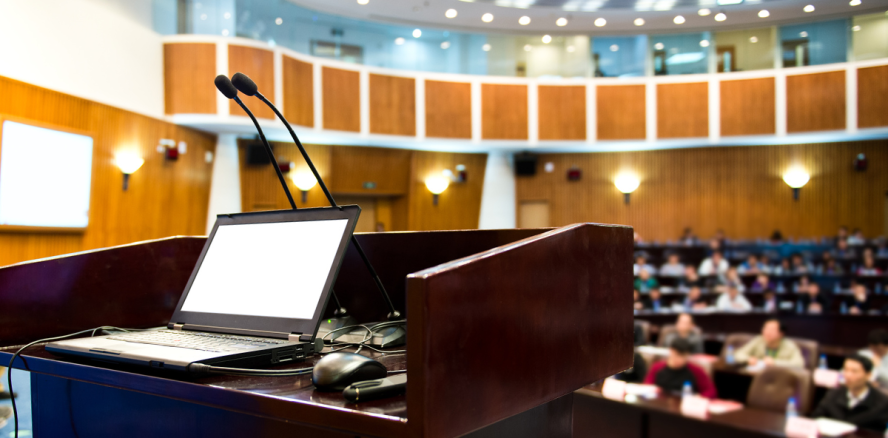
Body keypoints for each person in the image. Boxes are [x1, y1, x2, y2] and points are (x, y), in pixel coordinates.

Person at [810, 355, 888, 432]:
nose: (848, 375)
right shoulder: (833, 393)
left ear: (868, 375)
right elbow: (816, 419)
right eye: (846, 370)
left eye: (854, 371)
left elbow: (879, 431)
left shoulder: (882, 402)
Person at [644, 338, 717, 399]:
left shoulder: (696, 370)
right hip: (660, 404)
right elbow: (646, 386)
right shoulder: (657, 367)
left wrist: (699, 397)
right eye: (677, 355)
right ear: (671, 351)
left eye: (683, 356)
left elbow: (711, 391)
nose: (680, 359)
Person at [734, 319, 805, 368]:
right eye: (765, 328)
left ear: (781, 333)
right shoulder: (758, 340)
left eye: (772, 330)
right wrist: (748, 359)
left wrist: (775, 362)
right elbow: (738, 354)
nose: (767, 332)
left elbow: (799, 364)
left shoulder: (789, 345)